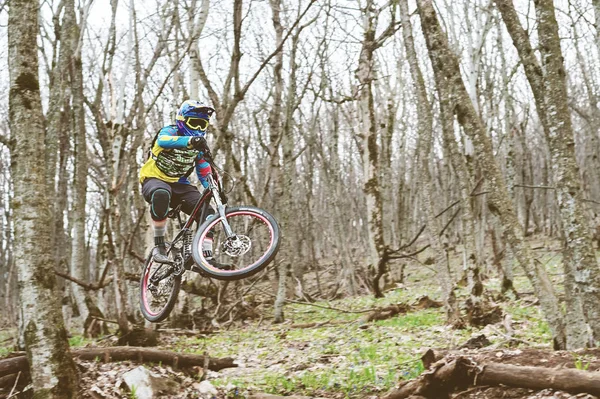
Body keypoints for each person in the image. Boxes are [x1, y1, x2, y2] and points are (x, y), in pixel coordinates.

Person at [139, 99, 225, 268]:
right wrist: (190, 141)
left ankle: (204, 258)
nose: (198, 129)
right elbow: (163, 141)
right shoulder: (170, 131)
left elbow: (204, 171)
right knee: (161, 193)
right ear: (182, 121)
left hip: (181, 185)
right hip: (154, 180)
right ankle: (159, 246)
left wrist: (216, 190)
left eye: (202, 125)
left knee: (208, 213)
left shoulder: (199, 147)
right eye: (194, 123)